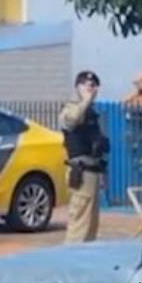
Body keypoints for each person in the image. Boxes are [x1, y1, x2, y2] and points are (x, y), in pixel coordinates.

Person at [59, 70, 109, 244]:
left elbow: (99, 146)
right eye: (88, 86)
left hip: (93, 172)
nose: (92, 90)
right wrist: (86, 100)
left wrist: (103, 174)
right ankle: (69, 260)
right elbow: (72, 120)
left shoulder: (92, 114)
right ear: (78, 87)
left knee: (91, 225)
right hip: (80, 172)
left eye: (95, 86)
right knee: (79, 224)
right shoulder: (71, 109)